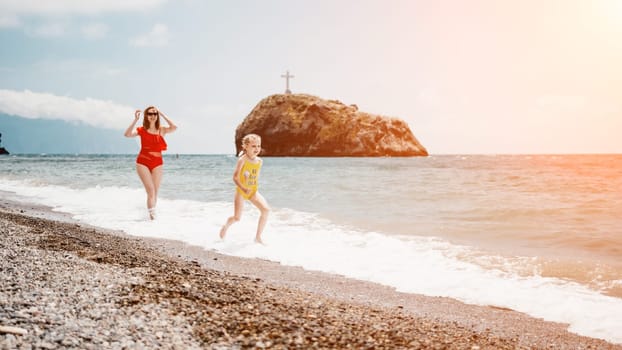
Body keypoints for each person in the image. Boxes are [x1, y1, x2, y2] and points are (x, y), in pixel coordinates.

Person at [124, 106, 177, 220]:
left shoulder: (161, 130)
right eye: (150, 113)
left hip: (158, 163)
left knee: (155, 192)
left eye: (155, 114)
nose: (152, 116)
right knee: (151, 190)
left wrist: (162, 113)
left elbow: (174, 127)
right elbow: (127, 134)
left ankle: (151, 216)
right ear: (146, 116)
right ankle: (153, 218)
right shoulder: (141, 130)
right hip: (143, 161)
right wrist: (135, 120)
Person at [220, 134, 270, 244]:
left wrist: (253, 188)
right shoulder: (242, 160)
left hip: (253, 191)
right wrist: (243, 187)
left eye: (258, 146)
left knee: (265, 210)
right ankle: (226, 226)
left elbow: (255, 176)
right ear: (245, 146)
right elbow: (235, 177)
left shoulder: (259, 161)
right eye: (253, 146)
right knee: (237, 218)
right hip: (241, 191)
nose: (257, 149)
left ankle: (258, 237)